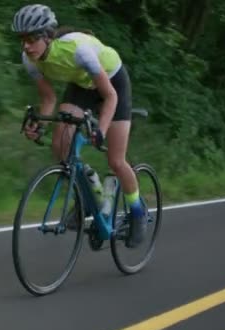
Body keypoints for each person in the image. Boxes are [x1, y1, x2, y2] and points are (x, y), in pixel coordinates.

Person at [12, 4, 147, 248]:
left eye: (31, 39)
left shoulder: (77, 50)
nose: (26, 46)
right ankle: (90, 195)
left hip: (113, 82)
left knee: (116, 161)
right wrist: (39, 124)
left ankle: (137, 214)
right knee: (61, 147)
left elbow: (110, 96)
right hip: (82, 85)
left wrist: (100, 130)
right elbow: (48, 99)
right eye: (22, 39)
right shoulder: (29, 59)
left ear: (47, 36)